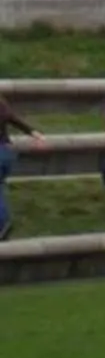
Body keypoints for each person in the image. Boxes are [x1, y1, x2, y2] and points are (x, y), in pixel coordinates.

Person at [0, 89, 39, 243]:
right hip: (7, 153)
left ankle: (3, 223)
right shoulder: (2, 105)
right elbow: (16, 120)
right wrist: (34, 133)